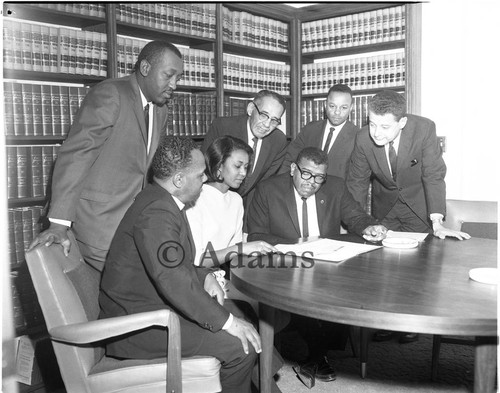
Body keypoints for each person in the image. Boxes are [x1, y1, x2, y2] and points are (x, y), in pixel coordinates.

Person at [99, 136, 260, 393]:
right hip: (139, 326)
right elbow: (173, 280)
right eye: (200, 175)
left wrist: (204, 275)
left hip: (154, 309)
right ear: (178, 180)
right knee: (242, 346)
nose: (206, 179)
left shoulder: (163, 201)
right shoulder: (157, 213)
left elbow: (175, 263)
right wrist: (227, 323)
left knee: (243, 319)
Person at [27, 40, 184, 272]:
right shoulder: (111, 93)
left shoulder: (161, 110)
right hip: (97, 226)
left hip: (133, 223)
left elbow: (147, 169)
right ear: (145, 69)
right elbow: (76, 156)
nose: (174, 84)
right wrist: (59, 224)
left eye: (178, 78)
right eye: (169, 75)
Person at [247, 147, 387, 388]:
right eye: (306, 174)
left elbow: (355, 217)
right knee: (302, 291)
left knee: (349, 287)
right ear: (293, 169)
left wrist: (368, 227)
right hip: (284, 263)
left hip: (325, 263)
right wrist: (299, 245)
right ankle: (318, 355)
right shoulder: (268, 189)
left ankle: (317, 353)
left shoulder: (335, 187)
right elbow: (255, 236)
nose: (312, 183)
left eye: (319, 177)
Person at [346, 89, 470, 344]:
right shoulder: (362, 139)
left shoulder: (423, 129)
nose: (376, 132)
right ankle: (387, 320)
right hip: (386, 207)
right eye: (372, 123)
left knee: (417, 268)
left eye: (385, 126)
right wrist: (359, 225)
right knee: (384, 266)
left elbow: (433, 174)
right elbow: (357, 184)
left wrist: (437, 222)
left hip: (418, 204)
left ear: (402, 122)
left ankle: (411, 322)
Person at [201, 90, 288, 230]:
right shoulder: (223, 127)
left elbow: (261, 185)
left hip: (244, 211)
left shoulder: (278, 141)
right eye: (264, 115)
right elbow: (206, 170)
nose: (266, 125)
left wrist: (249, 227)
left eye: (274, 120)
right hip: (211, 203)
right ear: (251, 109)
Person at [186, 135, 277, 269]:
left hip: (225, 273)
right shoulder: (196, 198)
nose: (243, 173)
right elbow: (198, 260)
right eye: (237, 166)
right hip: (198, 275)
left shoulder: (236, 200)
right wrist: (240, 249)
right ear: (219, 165)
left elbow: (236, 253)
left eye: (246, 167)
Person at [279, 83, 360, 178]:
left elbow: (357, 179)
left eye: (344, 107)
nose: (337, 112)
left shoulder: (358, 136)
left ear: (351, 108)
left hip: (338, 191)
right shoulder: (310, 129)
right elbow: (289, 159)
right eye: (332, 106)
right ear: (325, 105)